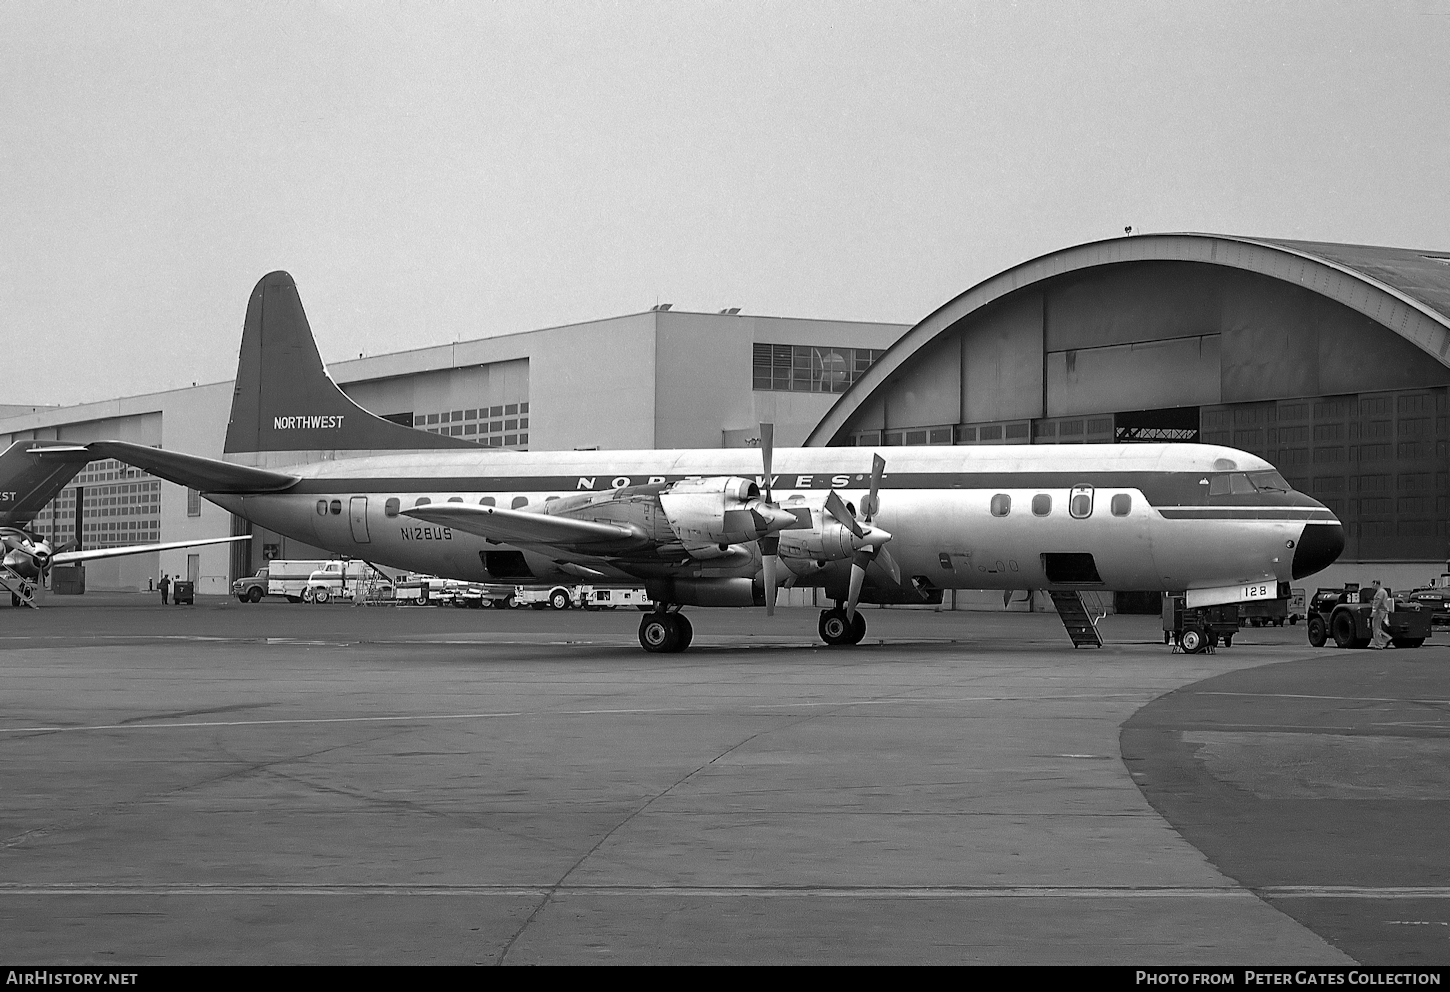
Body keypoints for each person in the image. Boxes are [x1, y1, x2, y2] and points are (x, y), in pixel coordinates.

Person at [1369, 579, 1391, 649]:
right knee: (1377, 627)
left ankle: (1379, 644)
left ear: (1376, 584)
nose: (1372, 586)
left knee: (1376, 628)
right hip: (1381, 611)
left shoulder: (1380, 592)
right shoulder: (1382, 591)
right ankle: (1386, 638)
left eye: (1373, 584)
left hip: (1379, 611)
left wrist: (1374, 611)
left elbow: (1378, 602)